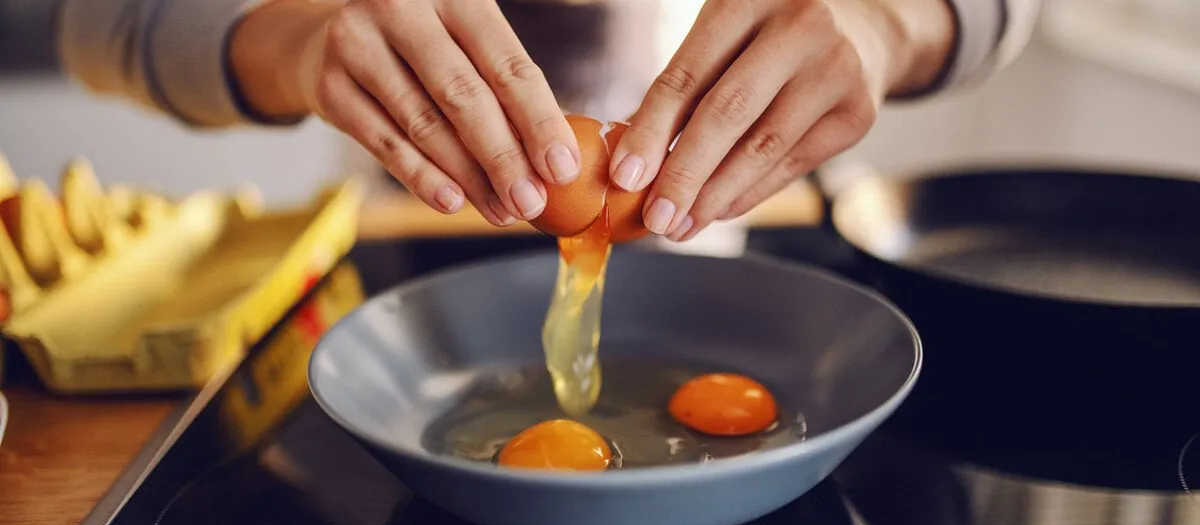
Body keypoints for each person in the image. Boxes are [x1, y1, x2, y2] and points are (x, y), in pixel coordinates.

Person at [56, 0, 1039, 241]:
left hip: (770, 234)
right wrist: (300, 41)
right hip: (413, 235)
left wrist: (886, 24)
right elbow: (96, 22)